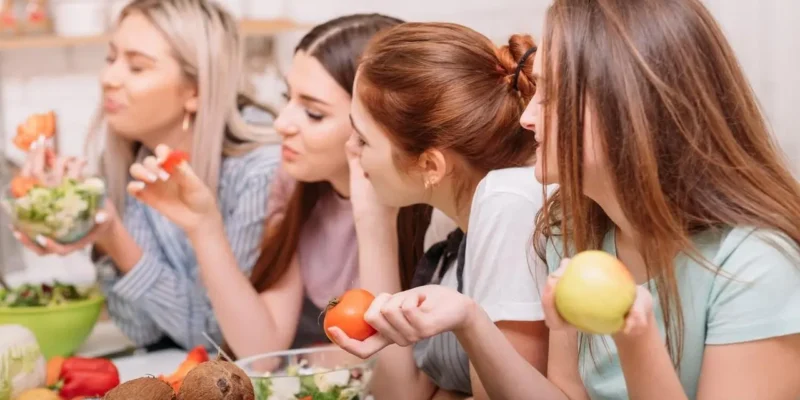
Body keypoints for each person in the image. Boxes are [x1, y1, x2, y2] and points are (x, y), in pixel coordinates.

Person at [333, 0, 800, 398]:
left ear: (626, 110)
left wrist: (634, 339)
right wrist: (469, 320)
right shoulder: (573, 228)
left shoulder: (754, 268)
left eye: (551, 96)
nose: (527, 118)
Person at [125, 14, 433, 360]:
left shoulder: (431, 215)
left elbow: (395, 371)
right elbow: (262, 350)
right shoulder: (296, 184)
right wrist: (203, 226)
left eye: (313, 113)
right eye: (288, 98)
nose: (281, 123)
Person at [12, 0, 280, 350]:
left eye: (137, 67)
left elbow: (216, 340)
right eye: (111, 58)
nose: (108, 78)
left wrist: (116, 239)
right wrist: (82, 220)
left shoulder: (260, 174)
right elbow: (142, 330)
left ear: (195, 90)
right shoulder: (131, 161)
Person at [330, 23, 549, 400]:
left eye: (363, 138)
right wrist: (373, 220)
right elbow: (400, 393)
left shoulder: (509, 207)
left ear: (431, 166)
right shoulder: (449, 215)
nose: (350, 148)